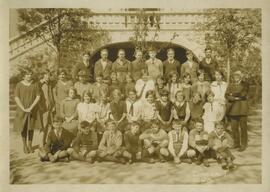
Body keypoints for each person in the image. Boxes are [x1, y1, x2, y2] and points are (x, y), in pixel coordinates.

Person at [14, 68, 43, 154]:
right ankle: (24, 145)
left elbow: (38, 96)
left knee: (31, 127)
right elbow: (16, 97)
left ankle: (30, 145)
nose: (29, 76)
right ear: (24, 76)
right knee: (23, 127)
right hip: (22, 109)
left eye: (30, 74)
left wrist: (31, 107)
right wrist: (23, 108)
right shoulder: (19, 85)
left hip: (32, 109)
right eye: (27, 74)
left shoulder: (35, 84)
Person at [225, 70, 249, 151]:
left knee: (243, 128)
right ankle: (236, 143)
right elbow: (226, 95)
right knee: (234, 128)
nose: (236, 77)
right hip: (233, 108)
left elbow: (243, 94)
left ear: (241, 76)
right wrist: (234, 97)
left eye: (238, 75)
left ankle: (243, 145)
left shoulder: (245, 84)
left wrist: (233, 94)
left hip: (242, 108)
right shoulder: (231, 85)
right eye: (235, 76)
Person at [39, 69, 56, 146]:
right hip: (44, 107)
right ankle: (41, 143)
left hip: (50, 106)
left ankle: (47, 141)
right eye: (46, 75)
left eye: (49, 75)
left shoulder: (50, 84)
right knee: (43, 125)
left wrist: (53, 105)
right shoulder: (40, 84)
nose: (48, 76)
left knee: (50, 124)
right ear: (43, 75)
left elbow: (52, 95)